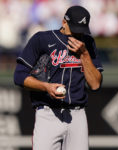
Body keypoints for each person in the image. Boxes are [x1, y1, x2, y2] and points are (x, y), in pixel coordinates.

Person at [14, 5, 103, 150]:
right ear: (64, 22)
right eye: (75, 28)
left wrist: (85, 55)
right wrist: (45, 87)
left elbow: (95, 85)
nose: (78, 34)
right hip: (48, 114)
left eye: (81, 30)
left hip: (77, 115)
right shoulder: (42, 39)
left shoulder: (87, 43)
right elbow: (19, 76)